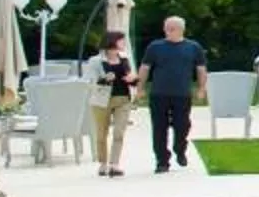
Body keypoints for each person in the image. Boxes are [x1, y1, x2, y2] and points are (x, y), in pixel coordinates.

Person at [139, 14, 207, 174]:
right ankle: (162, 161)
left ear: (181, 30)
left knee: (183, 125)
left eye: (171, 29)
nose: (167, 31)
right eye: (166, 28)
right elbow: (145, 67)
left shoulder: (193, 47)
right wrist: (140, 87)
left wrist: (201, 88)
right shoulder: (155, 47)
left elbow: (201, 69)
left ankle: (180, 148)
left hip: (182, 94)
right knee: (159, 128)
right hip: (159, 93)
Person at [84, 30, 136, 176]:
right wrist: (104, 79)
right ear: (112, 41)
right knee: (101, 134)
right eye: (121, 40)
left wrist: (133, 80)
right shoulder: (95, 61)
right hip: (102, 101)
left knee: (119, 132)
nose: (124, 43)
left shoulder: (125, 58)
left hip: (123, 99)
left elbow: (131, 77)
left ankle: (114, 164)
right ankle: (103, 163)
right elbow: (89, 82)